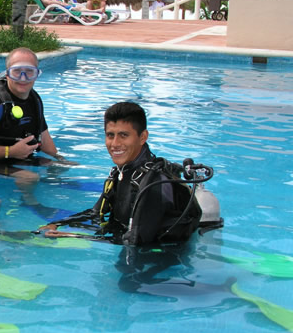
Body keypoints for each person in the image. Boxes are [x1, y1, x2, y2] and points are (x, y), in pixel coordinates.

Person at [38, 101, 202, 246]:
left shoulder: (152, 185)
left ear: (143, 137)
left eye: (124, 135)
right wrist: (57, 224)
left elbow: (136, 242)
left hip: (161, 264)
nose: (115, 144)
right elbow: (96, 212)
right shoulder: (120, 172)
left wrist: (73, 236)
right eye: (110, 135)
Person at [0, 47, 66, 202]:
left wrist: (59, 160)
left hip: (12, 158)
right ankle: (28, 204)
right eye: (17, 71)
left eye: (29, 72)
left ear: (37, 74)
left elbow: (46, 142)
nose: (23, 78)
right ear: (7, 73)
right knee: (29, 177)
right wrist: (11, 151)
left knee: (61, 166)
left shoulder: (34, 100)